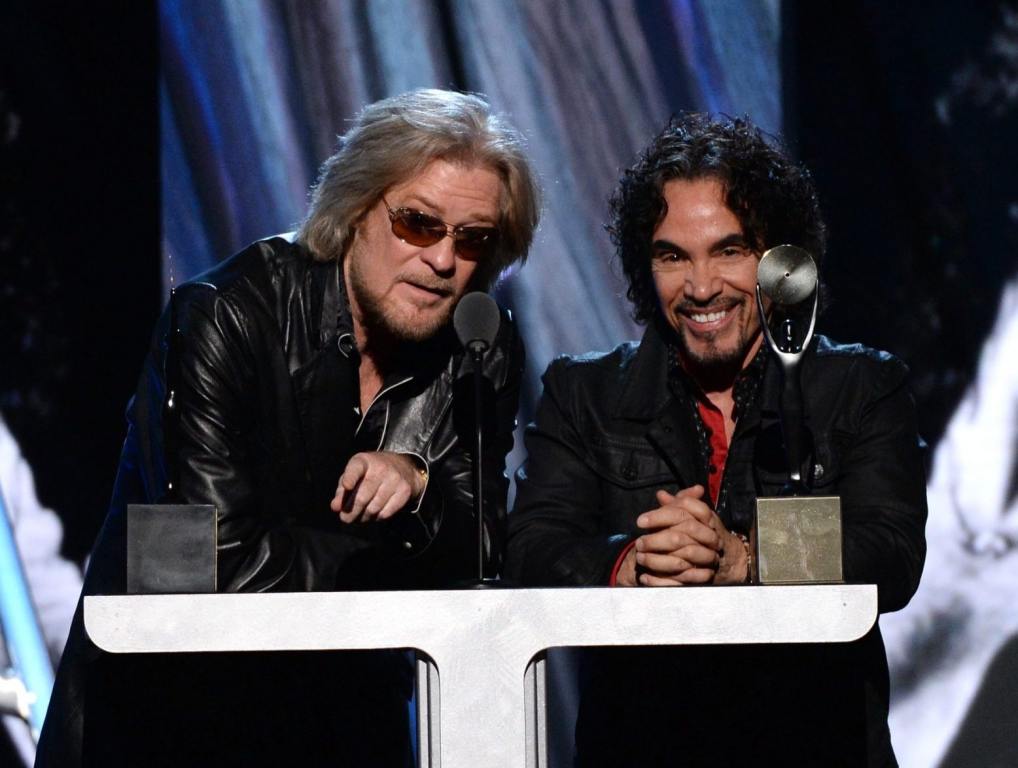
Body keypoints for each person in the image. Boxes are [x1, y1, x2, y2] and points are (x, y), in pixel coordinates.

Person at [37, 88, 540, 767]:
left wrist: (418, 483)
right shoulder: (224, 318)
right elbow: (207, 572)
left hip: (346, 724)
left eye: (472, 238)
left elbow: (483, 556)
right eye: (418, 224)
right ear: (355, 208)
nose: (444, 261)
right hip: (171, 726)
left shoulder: (479, 342)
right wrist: (390, 553)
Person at [506, 114, 926, 766]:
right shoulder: (583, 394)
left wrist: (745, 558)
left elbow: (891, 552)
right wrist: (629, 567)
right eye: (673, 256)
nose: (701, 287)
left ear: (779, 260)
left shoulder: (862, 387)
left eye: (729, 250)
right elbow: (531, 548)